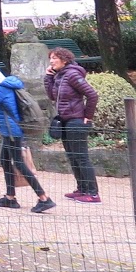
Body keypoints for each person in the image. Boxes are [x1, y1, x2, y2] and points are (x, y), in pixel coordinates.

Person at [0, 60, 54, 213]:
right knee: (5, 161)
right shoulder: (6, 84)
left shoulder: (1, 88)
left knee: (19, 163)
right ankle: (10, 197)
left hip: (12, 131)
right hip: (9, 130)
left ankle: (44, 197)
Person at [45, 47, 100, 202]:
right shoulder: (59, 76)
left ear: (64, 60)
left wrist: (87, 116)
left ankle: (93, 193)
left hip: (76, 121)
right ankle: (82, 189)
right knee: (72, 156)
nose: (51, 61)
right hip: (65, 121)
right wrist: (48, 77)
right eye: (51, 58)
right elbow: (51, 96)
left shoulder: (72, 75)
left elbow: (92, 95)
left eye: (54, 58)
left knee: (81, 157)